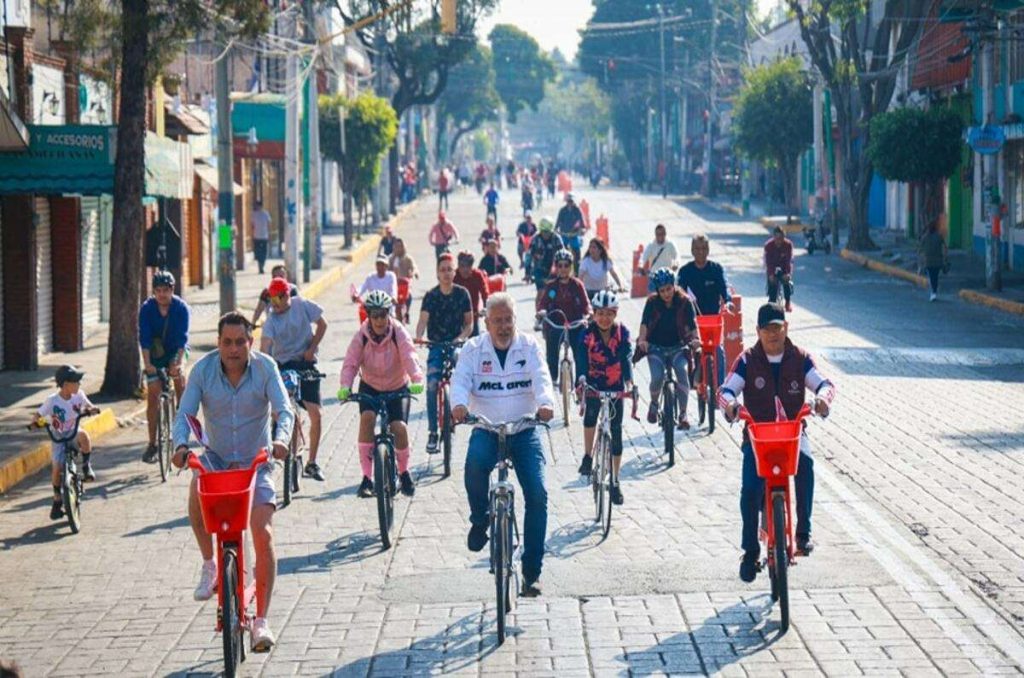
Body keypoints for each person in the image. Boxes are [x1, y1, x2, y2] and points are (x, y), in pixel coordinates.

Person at [172, 312, 292, 652]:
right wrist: (180, 446)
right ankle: (210, 564)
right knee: (196, 482)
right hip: (218, 461)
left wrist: (281, 440)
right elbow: (184, 414)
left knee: (263, 534)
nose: (234, 349)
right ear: (218, 343)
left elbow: (284, 410)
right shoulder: (203, 370)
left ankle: (262, 620)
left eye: (240, 342)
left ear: (251, 343)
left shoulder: (266, 368)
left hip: (257, 463)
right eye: (227, 342)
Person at [718, 303, 836, 582]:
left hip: (792, 434)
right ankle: (750, 552)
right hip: (757, 437)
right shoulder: (747, 361)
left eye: (777, 328)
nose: (773, 334)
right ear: (758, 331)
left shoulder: (800, 358)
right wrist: (732, 406)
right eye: (767, 329)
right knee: (750, 489)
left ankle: (803, 533)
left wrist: (822, 400)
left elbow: (825, 385)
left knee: (806, 463)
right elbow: (725, 391)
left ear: (786, 328)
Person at [451, 293, 555, 597]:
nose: (503, 326)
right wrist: (459, 405)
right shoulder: (473, 349)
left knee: (537, 494)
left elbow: (542, 377)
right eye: (497, 320)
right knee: (474, 465)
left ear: (515, 320)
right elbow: (460, 380)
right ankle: (480, 519)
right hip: (487, 427)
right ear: (487, 323)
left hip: (524, 429)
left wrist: (546, 404)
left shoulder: (529, 346)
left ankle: (531, 573)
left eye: (508, 319)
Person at [338, 291, 424, 498]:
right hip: (370, 386)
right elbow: (350, 363)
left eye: (383, 314)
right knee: (367, 419)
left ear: (389, 314)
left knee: (399, 427)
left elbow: (409, 356)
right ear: (368, 316)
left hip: (397, 385)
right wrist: (345, 386)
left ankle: (404, 473)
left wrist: (416, 379)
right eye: (374, 315)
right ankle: (367, 478)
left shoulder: (398, 332)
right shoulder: (361, 336)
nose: (379, 320)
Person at [260, 278, 328, 481]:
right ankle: (281, 442)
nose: (274, 304)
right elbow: (265, 347)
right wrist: (266, 368)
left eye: (278, 299)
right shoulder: (271, 320)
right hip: (284, 366)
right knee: (279, 410)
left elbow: (322, 324)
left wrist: (312, 348)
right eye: (271, 300)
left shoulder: (302, 305)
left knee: (316, 414)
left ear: (287, 295)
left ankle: (312, 462)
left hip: (306, 363)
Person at [575, 291, 632, 505]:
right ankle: (588, 456)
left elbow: (626, 356)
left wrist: (629, 381)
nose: (604, 318)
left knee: (616, 433)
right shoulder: (587, 334)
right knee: (590, 417)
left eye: (609, 314)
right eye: (600, 313)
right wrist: (581, 378)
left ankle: (615, 480)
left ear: (615, 314)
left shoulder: (622, 332)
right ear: (594, 314)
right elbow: (581, 357)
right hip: (593, 384)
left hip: (616, 385)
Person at [416, 253, 474, 454]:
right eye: (443, 270)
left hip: (455, 344)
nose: (446, 273)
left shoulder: (463, 294)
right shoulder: (430, 296)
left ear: (454, 271)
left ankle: (459, 410)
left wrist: (460, 338)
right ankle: (433, 432)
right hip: (436, 345)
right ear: (437, 273)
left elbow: (469, 324)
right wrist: (419, 336)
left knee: (460, 375)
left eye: (450, 269)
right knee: (432, 384)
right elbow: (422, 321)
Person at [35, 365, 101, 519]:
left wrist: (92, 409)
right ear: (65, 385)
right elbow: (38, 415)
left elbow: (89, 405)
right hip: (58, 436)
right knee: (57, 467)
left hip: (73, 431)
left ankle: (86, 467)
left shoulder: (79, 395)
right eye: (76, 381)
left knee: (84, 436)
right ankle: (57, 498)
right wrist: (36, 422)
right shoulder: (52, 401)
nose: (79, 384)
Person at [636, 268, 698, 429]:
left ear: (674, 286)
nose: (666, 294)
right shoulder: (651, 303)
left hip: (679, 346)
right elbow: (644, 323)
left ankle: (683, 413)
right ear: (657, 291)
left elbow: (693, 325)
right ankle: (654, 403)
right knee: (657, 377)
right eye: (662, 290)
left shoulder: (685, 301)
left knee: (682, 372)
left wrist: (696, 340)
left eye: (669, 289)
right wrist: (642, 340)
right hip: (656, 348)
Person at [140, 271, 190, 464]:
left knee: (178, 377)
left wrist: (178, 364)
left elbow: (182, 340)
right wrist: (148, 364)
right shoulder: (147, 309)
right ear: (153, 291)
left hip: (176, 350)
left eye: (165, 290)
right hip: (155, 353)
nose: (162, 294)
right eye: (158, 290)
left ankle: (181, 419)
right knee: (153, 392)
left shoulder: (181, 308)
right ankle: (152, 444)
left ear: (172, 290)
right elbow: (144, 339)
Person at [677, 233, 733, 384]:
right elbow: (678, 292)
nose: (700, 252)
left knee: (719, 351)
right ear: (692, 250)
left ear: (708, 250)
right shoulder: (685, 271)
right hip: (692, 321)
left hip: (713, 322)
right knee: (686, 350)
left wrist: (728, 302)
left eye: (703, 248)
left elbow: (725, 289)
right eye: (697, 248)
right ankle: (690, 378)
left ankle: (721, 388)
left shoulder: (716, 269)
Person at [536, 249, 591, 385]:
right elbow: (543, 304)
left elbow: (586, 304)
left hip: (575, 324)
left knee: (580, 354)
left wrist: (588, 314)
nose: (563, 269)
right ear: (556, 267)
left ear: (571, 266)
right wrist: (541, 312)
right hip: (556, 325)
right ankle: (552, 378)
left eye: (566, 265)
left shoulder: (577, 285)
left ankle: (580, 385)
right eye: (559, 265)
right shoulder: (551, 286)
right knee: (552, 353)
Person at [454, 250, 490, 336]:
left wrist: (486, 307)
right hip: (456, 316)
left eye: (468, 266)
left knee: (475, 340)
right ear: (458, 265)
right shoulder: (454, 275)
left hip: (473, 315)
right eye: (462, 266)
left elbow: (485, 293)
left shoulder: (477, 275)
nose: (465, 269)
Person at [528, 218, 565, 291]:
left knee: (553, 292)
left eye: (547, 232)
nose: (545, 234)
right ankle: (540, 298)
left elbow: (563, 254)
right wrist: (528, 272)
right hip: (539, 269)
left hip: (554, 269)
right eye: (543, 231)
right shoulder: (535, 239)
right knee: (541, 291)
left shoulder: (556, 238)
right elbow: (529, 255)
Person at [764, 226, 795, 311]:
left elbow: (789, 260)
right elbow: (768, 262)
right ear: (773, 237)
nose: (779, 241)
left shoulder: (788, 245)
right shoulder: (768, 246)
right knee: (772, 283)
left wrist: (788, 273)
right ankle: (771, 303)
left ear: (784, 237)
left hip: (783, 266)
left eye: (781, 238)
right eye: (776, 238)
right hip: (772, 266)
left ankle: (787, 302)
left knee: (786, 281)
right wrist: (771, 274)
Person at [641, 224, 679, 289]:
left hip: (667, 277)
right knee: (653, 294)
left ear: (665, 234)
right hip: (654, 277)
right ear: (655, 235)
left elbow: (676, 256)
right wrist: (641, 266)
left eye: (662, 234)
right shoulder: (651, 245)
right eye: (658, 234)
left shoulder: (670, 244)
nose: (660, 236)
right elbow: (644, 257)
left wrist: (675, 264)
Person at [389, 237, 419, 321]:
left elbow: (414, 267)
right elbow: (386, 268)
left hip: (405, 284)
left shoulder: (407, 258)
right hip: (394, 284)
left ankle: (407, 312)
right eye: (396, 246)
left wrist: (414, 273)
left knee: (409, 296)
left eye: (400, 246)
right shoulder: (391, 258)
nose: (398, 248)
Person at [919, 221, 949, 302]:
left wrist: (921, 261)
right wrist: (945, 258)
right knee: (935, 277)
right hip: (938, 261)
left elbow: (920, 250)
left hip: (928, 261)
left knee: (931, 277)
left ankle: (933, 292)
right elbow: (945, 247)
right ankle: (934, 292)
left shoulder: (925, 237)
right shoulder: (939, 236)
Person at [555, 192, 585, 269]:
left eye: (571, 201)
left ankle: (577, 270)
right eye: (569, 201)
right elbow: (558, 222)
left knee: (577, 252)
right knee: (560, 252)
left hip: (574, 235)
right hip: (564, 234)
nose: (570, 203)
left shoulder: (577, 210)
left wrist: (582, 230)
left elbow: (582, 223)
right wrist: (556, 230)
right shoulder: (562, 210)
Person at [251, 200, 272, 274]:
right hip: (258, 236)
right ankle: (260, 266)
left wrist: (269, 234)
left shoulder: (265, 214)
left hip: (263, 236)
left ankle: (261, 266)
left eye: (258, 205)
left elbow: (268, 224)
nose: (257, 207)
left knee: (263, 252)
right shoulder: (254, 214)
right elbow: (252, 225)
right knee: (259, 252)